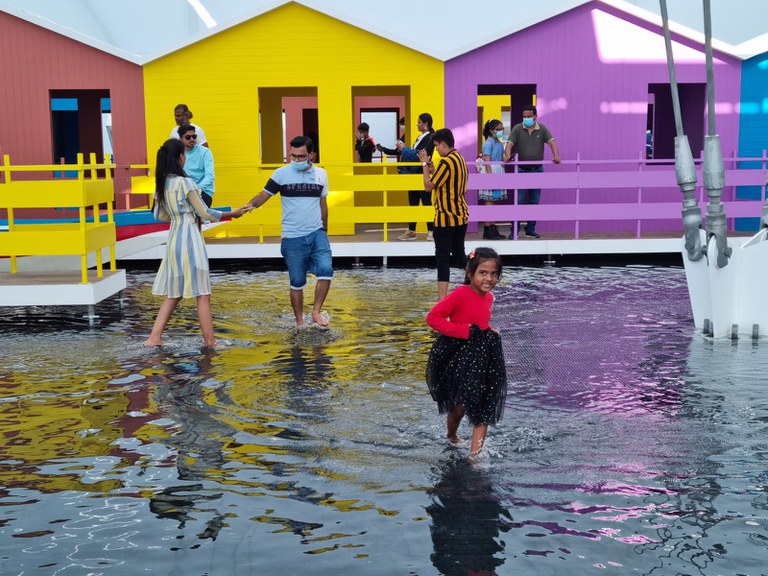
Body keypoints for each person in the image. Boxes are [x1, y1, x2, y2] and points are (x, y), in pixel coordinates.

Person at [144, 139, 249, 348]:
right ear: (179, 158)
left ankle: (154, 337)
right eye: (184, 154)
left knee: (175, 292)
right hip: (190, 239)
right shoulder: (186, 183)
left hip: (174, 239)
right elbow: (206, 213)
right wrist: (233, 214)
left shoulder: (161, 184)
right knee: (203, 294)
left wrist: (179, 214)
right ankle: (211, 342)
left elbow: (159, 215)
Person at [425, 247, 508, 457]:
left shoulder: (489, 298)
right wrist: (464, 331)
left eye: (494, 274)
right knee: (459, 407)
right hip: (460, 355)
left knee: (485, 403)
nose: (489, 278)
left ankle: (475, 456)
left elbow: (480, 320)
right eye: (483, 272)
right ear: (470, 273)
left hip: (485, 356)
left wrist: (488, 329)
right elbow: (433, 319)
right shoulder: (460, 294)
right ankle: (451, 434)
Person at [244, 135, 333, 328]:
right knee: (297, 281)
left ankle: (316, 312)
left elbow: (323, 204)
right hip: (292, 236)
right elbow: (263, 195)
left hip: (317, 232)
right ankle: (300, 321)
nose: (297, 160)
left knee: (326, 270)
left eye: (301, 156)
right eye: (293, 156)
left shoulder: (321, 175)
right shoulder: (281, 174)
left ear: (311, 155)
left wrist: (324, 229)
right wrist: (250, 205)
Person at [417, 128, 468, 301]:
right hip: (461, 215)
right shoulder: (459, 158)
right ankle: (474, 287)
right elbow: (444, 178)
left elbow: (428, 186)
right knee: (460, 255)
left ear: (444, 144)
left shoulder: (446, 162)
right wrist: (432, 169)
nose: (436, 150)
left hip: (445, 218)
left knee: (443, 259)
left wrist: (424, 165)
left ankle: (442, 300)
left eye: (437, 146)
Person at [504, 104, 560, 239]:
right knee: (519, 201)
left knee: (534, 201)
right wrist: (507, 155)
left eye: (529, 116)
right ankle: (514, 231)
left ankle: (530, 230)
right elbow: (509, 144)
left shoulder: (542, 129)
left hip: (537, 169)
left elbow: (552, 142)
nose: (526, 118)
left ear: (535, 116)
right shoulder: (517, 128)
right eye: (524, 116)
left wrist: (556, 156)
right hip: (522, 170)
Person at [379, 113, 436, 241]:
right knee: (413, 202)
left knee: (426, 202)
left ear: (426, 124)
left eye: (419, 122)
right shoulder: (421, 137)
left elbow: (419, 154)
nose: (417, 124)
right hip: (413, 174)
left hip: (422, 173)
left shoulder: (430, 138)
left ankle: (431, 231)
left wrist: (404, 148)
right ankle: (412, 230)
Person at [479, 118, 507, 240]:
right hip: (491, 172)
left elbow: (500, 158)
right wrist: (490, 178)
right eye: (498, 129)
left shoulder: (500, 144)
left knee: (494, 200)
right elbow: (487, 162)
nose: (501, 131)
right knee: (489, 201)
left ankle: (493, 226)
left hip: (499, 171)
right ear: (491, 131)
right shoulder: (487, 144)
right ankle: (487, 228)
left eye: (502, 129)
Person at [177, 124, 215, 207]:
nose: (192, 139)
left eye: (194, 136)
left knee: (199, 216)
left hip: (203, 191)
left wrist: (195, 190)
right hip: (184, 192)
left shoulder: (205, 152)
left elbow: (210, 176)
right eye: (188, 137)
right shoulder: (177, 153)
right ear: (180, 139)